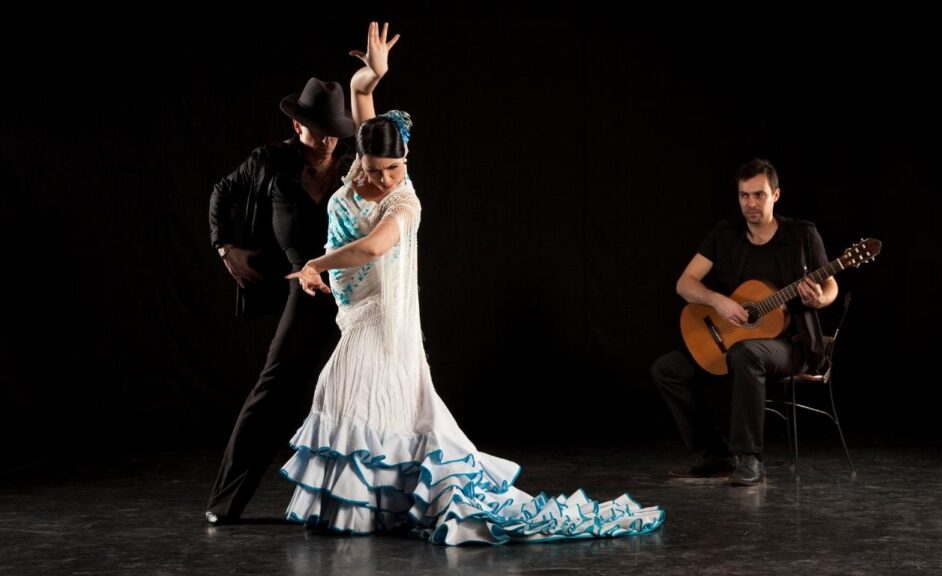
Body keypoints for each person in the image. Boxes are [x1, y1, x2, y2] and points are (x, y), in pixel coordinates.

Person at [280, 22, 665, 545]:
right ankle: (373, 508)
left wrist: (315, 266)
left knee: (344, 395)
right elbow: (360, 93)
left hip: (380, 322)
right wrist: (372, 73)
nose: (381, 179)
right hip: (353, 314)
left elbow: (371, 249)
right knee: (371, 410)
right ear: (359, 158)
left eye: (393, 169)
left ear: (405, 163)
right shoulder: (357, 174)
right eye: (372, 169)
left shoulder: (405, 201)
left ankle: (364, 510)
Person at [205, 77, 356, 524]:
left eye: (335, 129)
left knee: (357, 392)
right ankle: (225, 502)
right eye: (319, 129)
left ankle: (362, 507)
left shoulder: (352, 163)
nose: (329, 139)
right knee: (274, 391)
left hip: (355, 287)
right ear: (297, 125)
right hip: (304, 289)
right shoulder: (270, 162)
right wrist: (224, 247)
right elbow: (221, 194)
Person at [650, 159, 838, 486]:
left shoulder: (803, 235)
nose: (750, 203)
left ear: (776, 195)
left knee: (746, 353)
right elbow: (685, 283)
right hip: (732, 338)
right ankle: (715, 455)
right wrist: (718, 301)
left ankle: (750, 460)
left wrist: (818, 299)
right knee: (667, 369)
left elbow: (831, 286)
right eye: (743, 196)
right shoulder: (725, 235)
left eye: (759, 195)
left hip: (790, 345)